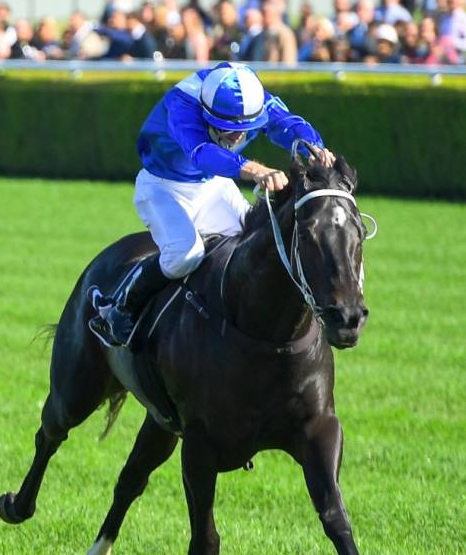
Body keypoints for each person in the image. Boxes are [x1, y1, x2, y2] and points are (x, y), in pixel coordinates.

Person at [88, 62, 333, 347]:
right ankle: (119, 308)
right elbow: (201, 154)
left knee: (260, 244)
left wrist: (314, 146)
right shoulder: (182, 105)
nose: (237, 137)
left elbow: (287, 123)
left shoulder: (256, 100)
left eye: (245, 129)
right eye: (227, 129)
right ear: (207, 113)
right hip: (162, 188)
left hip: (213, 185)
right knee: (185, 255)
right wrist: (255, 170)